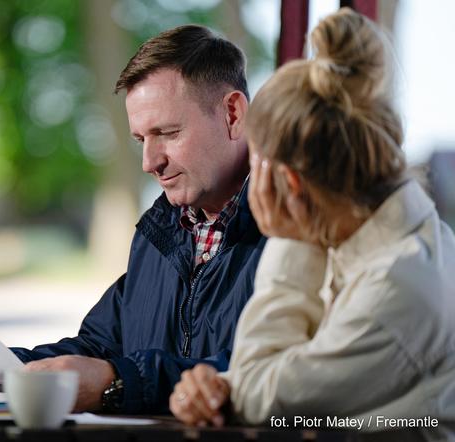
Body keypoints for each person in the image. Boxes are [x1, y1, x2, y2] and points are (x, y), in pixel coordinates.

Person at [169, 8, 455, 439]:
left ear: (288, 181)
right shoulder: (380, 243)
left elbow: (262, 402)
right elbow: (280, 387)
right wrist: (215, 388)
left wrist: (287, 237)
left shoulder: (395, 286)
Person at [11, 25, 266, 414]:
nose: (150, 162)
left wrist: (117, 381)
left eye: (167, 132)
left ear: (232, 113)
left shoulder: (295, 233)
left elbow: (268, 371)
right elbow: (100, 349)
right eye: (140, 139)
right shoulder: (157, 234)